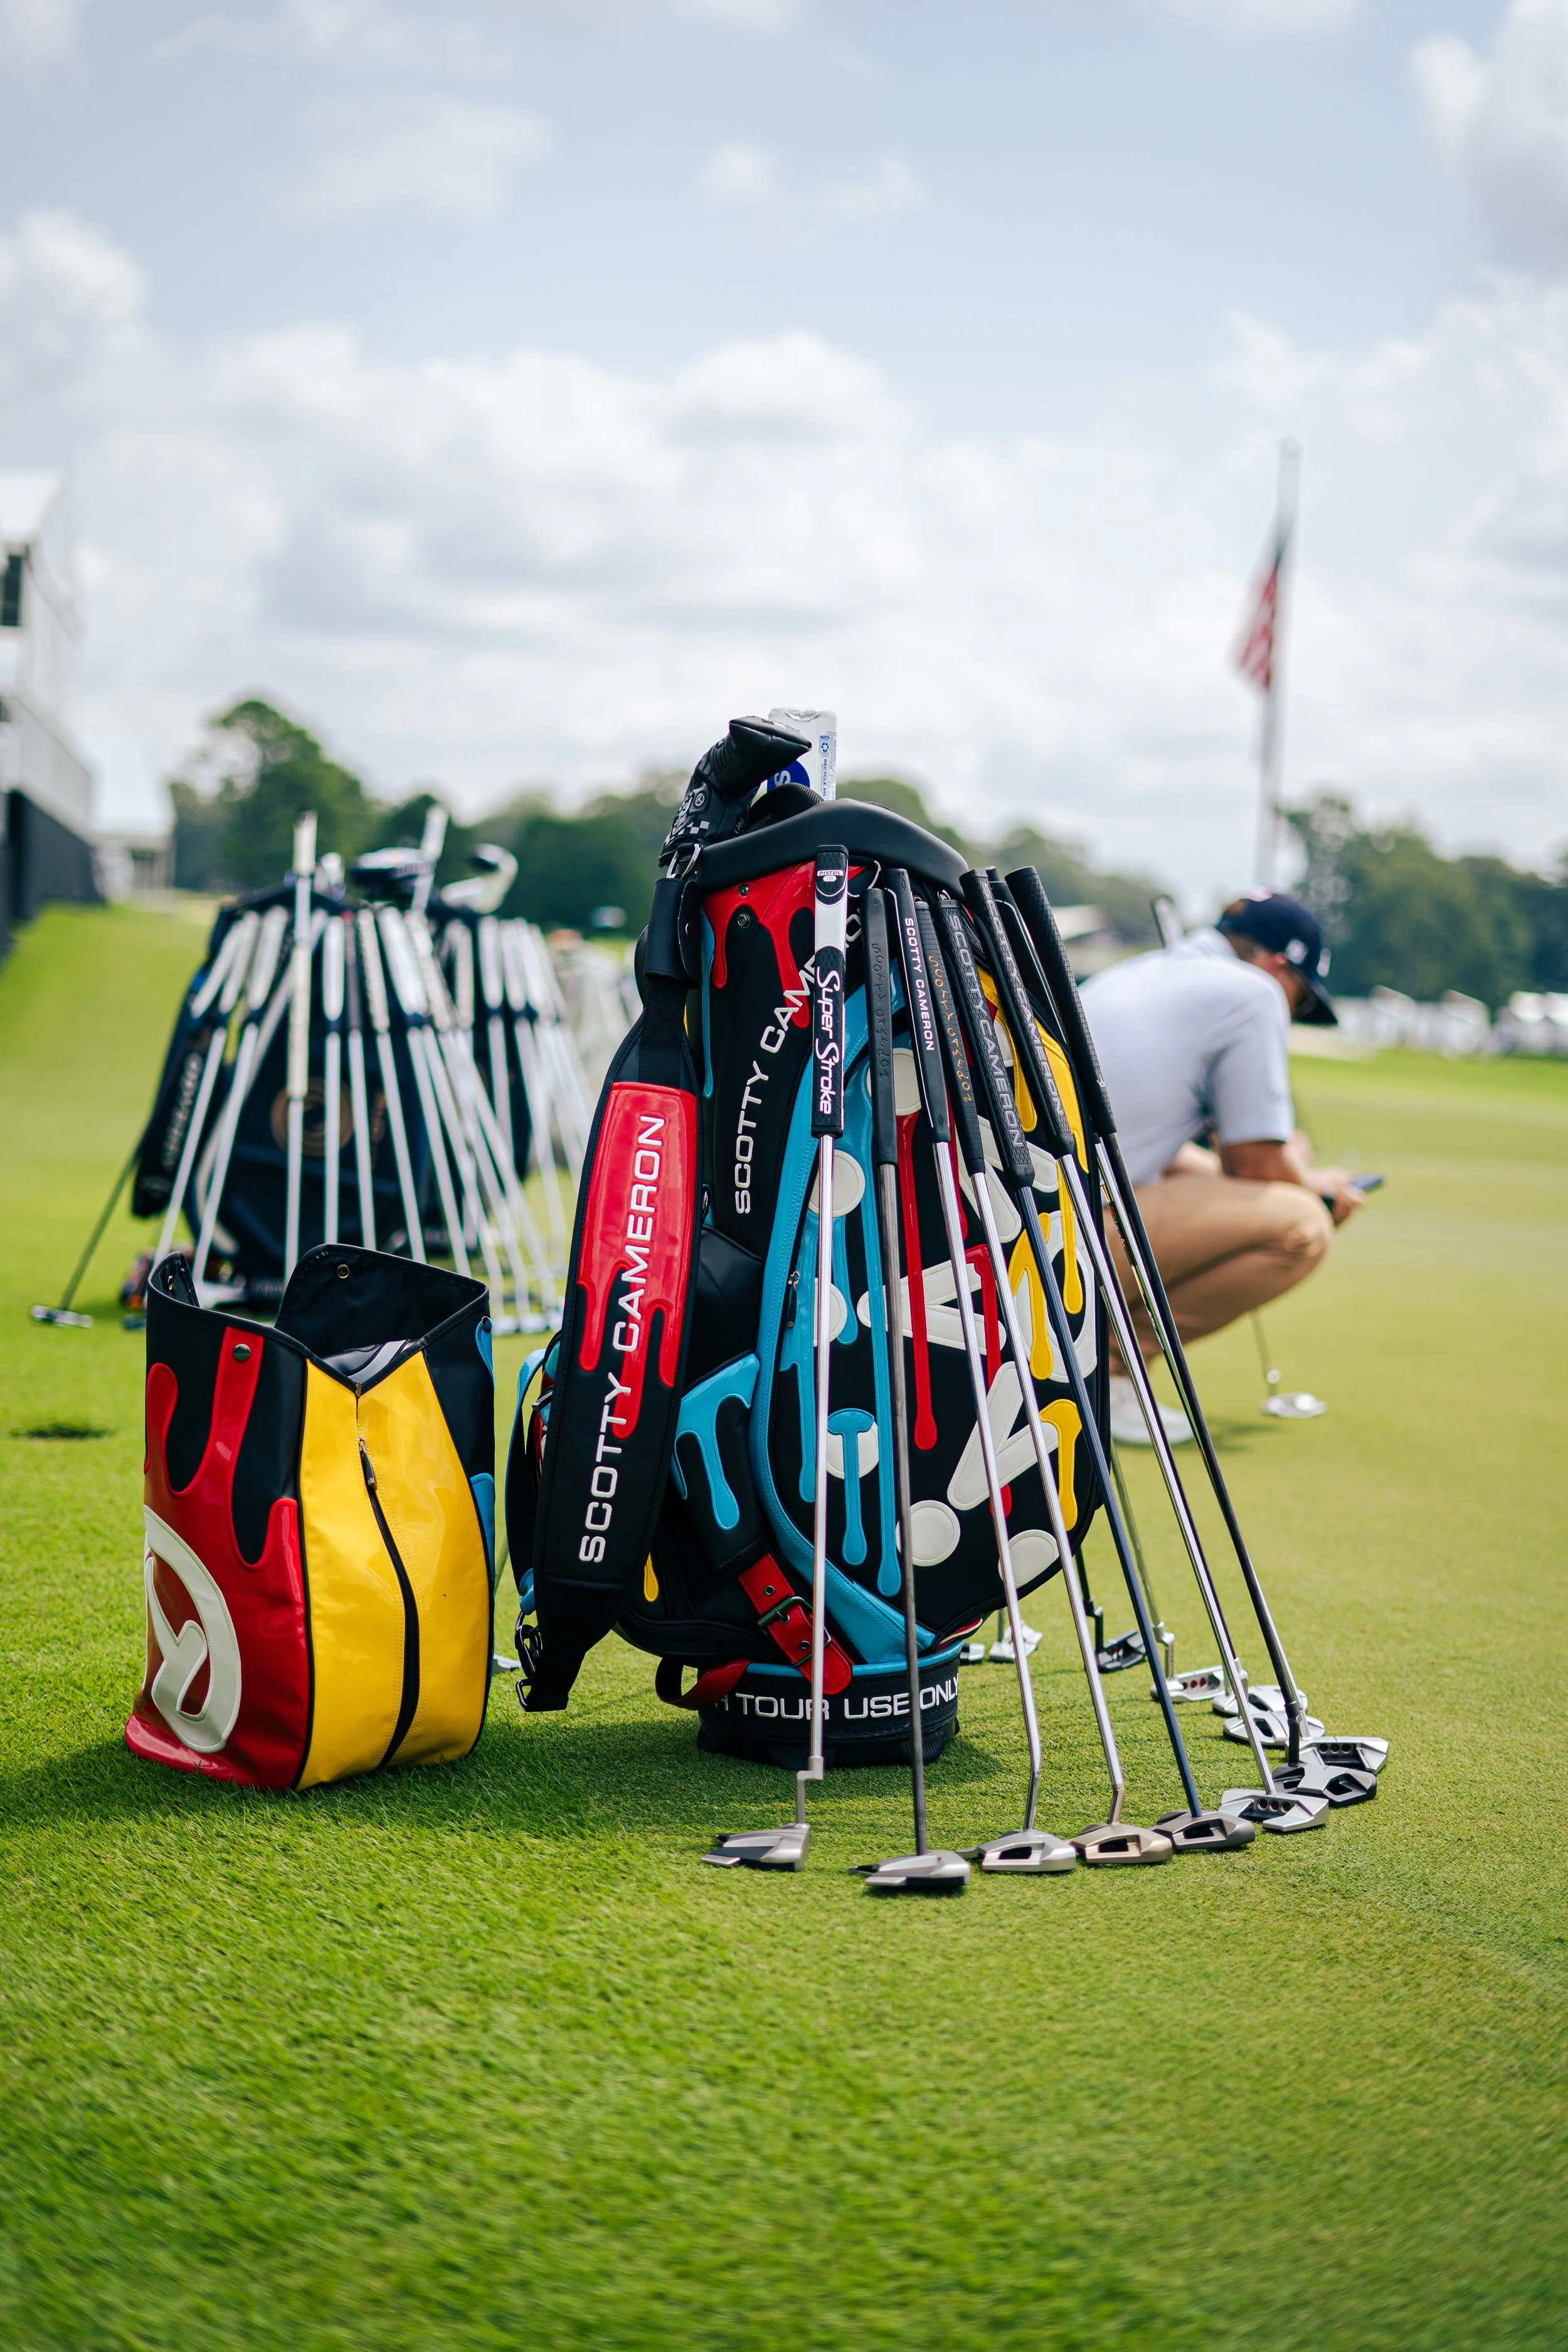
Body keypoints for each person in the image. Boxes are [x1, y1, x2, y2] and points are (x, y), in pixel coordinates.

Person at [1078, 888, 1362, 1444]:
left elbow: (1146, 1141)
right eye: (1300, 999)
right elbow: (1255, 1163)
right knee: (1302, 1224)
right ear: (1278, 966)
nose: (1294, 1014)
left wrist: (1279, 1170)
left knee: (1235, 1185)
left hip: (1009, 1211)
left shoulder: (1138, 972)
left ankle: (1096, 1370)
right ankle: (1106, 1375)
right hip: (1054, 1235)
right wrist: (1317, 1185)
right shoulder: (1254, 992)